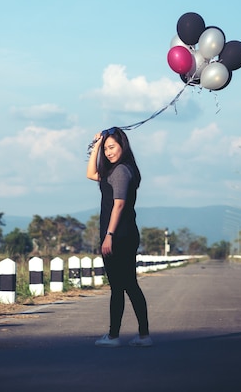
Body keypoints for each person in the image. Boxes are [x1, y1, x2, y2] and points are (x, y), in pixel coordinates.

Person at [87, 127, 152, 348]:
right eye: (106, 149)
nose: (108, 152)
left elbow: (120, 204)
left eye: (112, 147)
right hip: (123, 234)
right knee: (128, 285)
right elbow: (90, 174)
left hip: (119, 235)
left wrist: (109, 235)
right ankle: (143, 336)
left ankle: (114, 336)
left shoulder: (121, 171)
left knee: (120, 286)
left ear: (123, 145)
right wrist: (97, 145)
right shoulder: (115, 170)